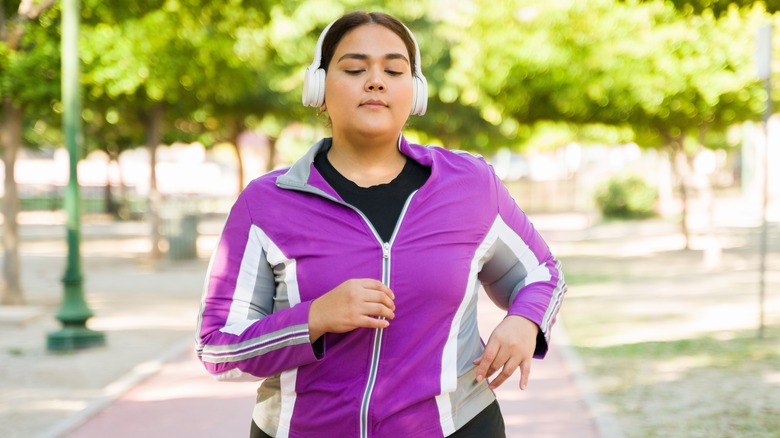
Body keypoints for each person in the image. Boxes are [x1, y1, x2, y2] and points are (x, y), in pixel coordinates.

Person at [196, 11, 566, 438]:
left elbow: (543, 273)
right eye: (355, 69)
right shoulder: (266, 203)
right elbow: (217, 348)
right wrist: (313, 317)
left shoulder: (471, 186)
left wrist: (526, 321)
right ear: (318, 87)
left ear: (415, 91)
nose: (375, 81)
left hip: (458, 426)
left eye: (394, 69)